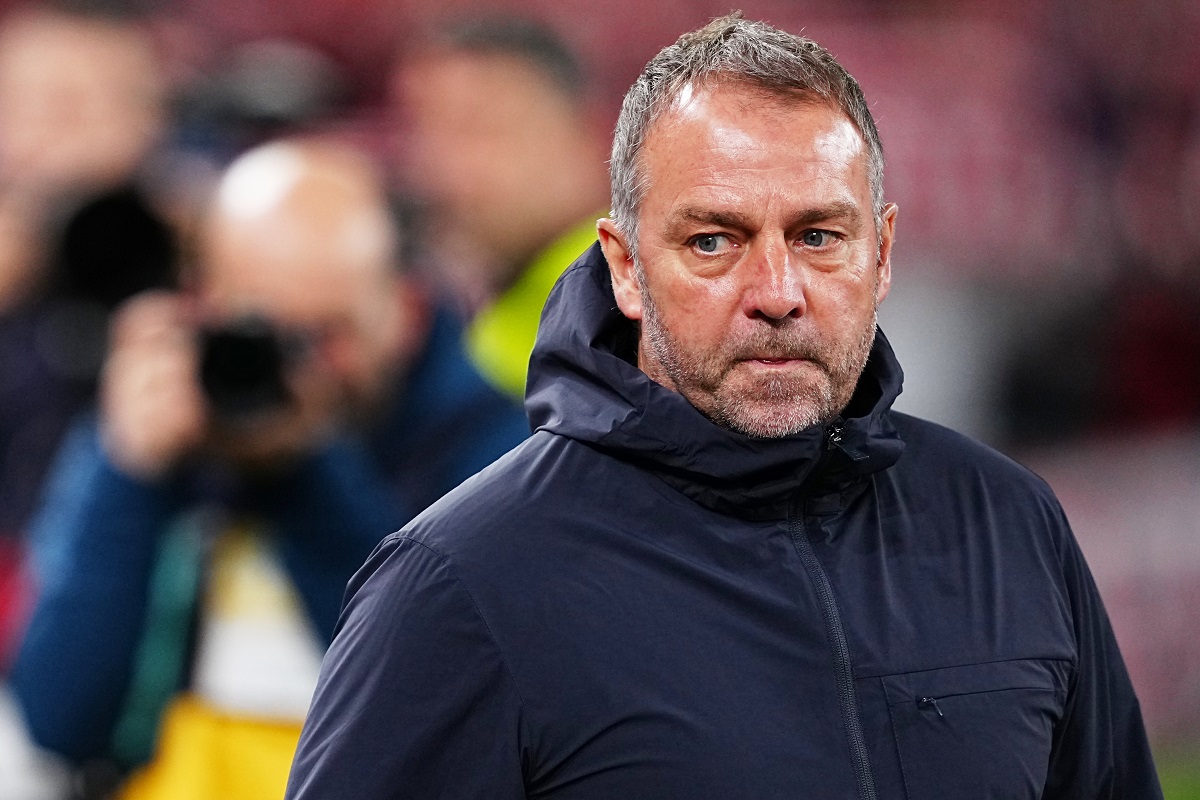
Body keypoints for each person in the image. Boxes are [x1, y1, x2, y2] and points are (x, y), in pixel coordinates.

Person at [287, 15, 1161, 800]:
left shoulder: (1009, 525)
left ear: (883, 251)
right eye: (715, 240)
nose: (777, 292)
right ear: (626, 267)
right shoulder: (457, 585)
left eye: (818, 236)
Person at [11, 139, 529, 800]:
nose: (296, 368)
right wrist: (126, 477)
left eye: (326, 335)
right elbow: (59, 721)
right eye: (264, 329)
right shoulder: (166, 419)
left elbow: (437, 704)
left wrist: (307, 468)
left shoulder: (495, 452)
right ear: (204, 299)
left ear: (404, 306)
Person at [394, 17, 609, 398]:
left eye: (478, 130)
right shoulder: (501, 318)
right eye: (427, 133)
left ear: (585, 138)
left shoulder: (619, 308)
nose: (443, 169)